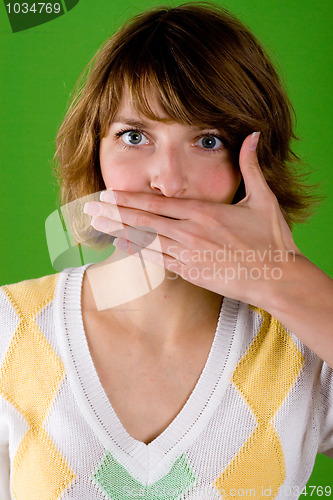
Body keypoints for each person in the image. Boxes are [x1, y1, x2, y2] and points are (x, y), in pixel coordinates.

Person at [0, 3, 332, 499]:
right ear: (94, 152)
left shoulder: (304, 346)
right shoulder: (9, 327)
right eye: (134, 136)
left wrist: (281, 278)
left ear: (255, 164)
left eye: (208, 140)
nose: (168, 182)